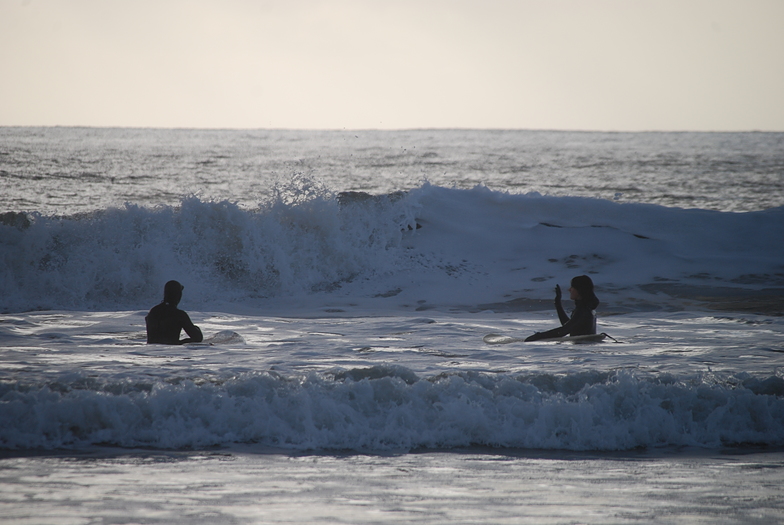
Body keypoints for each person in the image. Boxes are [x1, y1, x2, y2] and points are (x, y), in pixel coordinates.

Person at [525, 275, 599, 342]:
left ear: (579, 290)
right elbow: (570, 326)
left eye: (572, 287)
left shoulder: (583, 310)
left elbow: (564, 330)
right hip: (585, 349)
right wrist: (558, 304)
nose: (569, 289)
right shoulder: (588, 308)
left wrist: (538, 336)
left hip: (581, 350)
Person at [145, 280, 203, 344]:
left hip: (150, 351)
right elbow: (197, 338)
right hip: (171, 352)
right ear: (179, 295)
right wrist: (181, 342)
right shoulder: (179, 315)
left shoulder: (153, 311)